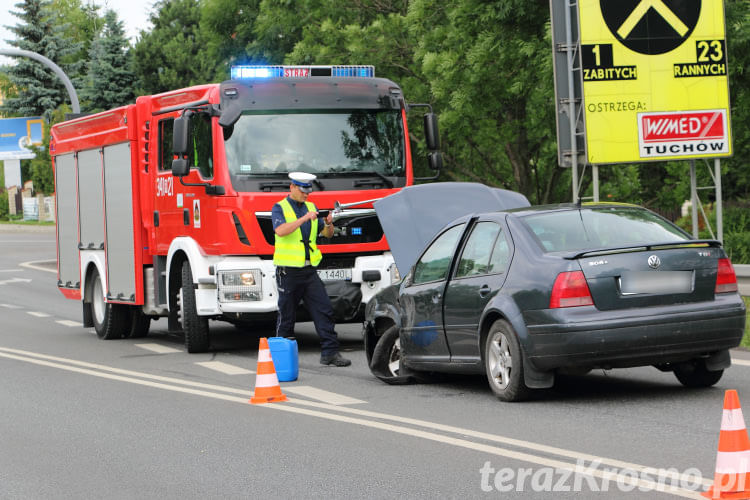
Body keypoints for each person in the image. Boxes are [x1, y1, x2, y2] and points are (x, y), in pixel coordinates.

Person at [271, 172, 352, 367]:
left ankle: (330, 353)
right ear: (292, 188)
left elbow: (327, 234)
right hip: (288, 271)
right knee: (287, 315)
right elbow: (280, 231)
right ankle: (281, 358)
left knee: (324, 309)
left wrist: (329, 223)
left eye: (308, 191)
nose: (306, 195)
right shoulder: (279, 208)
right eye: (302, 191)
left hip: (309, 271)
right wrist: (304, 219)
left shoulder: (311, 207)